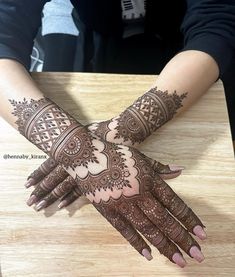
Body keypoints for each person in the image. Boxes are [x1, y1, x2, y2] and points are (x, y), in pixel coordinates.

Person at [0, 0, 235, 268]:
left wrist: (122, 130)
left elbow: (218, 24)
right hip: (100, 36)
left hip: (183, 47)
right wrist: (72, 146)